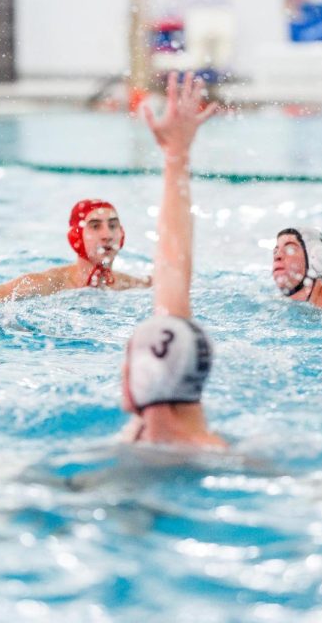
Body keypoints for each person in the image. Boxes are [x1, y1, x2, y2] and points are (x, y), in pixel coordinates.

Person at [119, 72, 226, 448]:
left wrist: (175, 158)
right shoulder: (232, 460)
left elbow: (171, 270)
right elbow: (172, 272)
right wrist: (177, 158)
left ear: (131, 383)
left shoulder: (130, 443)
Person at [0, 199, 151, 301]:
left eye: (113, 226)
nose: (107, 235)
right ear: (76, 237)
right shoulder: (45, 283)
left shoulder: (131, 285)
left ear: (121, 234)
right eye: (95, 226)